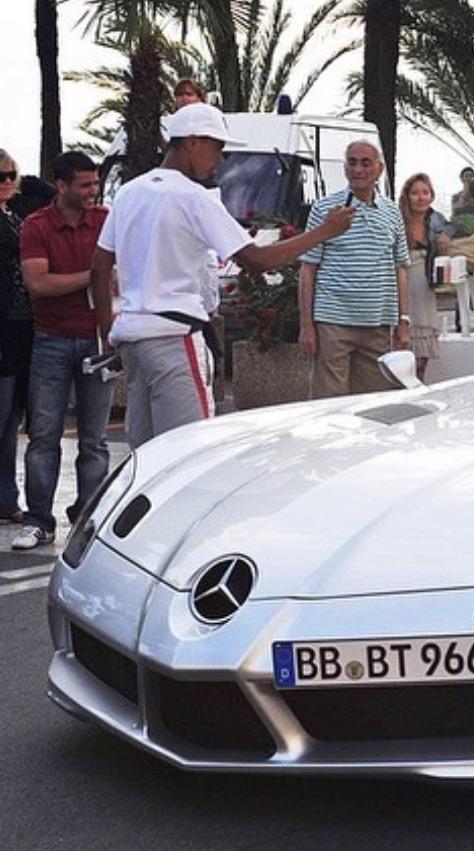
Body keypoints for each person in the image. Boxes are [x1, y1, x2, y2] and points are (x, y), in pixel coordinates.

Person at [91, 103, 355, 450]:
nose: (222, 159)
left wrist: (106, 332)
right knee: (190, 452)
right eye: (218, 147)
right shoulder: (194, 197)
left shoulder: (128, 193)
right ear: (193, 142)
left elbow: (99, 266)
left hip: (132, 338)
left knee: (145, 453)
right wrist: (322, 232)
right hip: (173, 337)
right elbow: (257, 260)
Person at [13, 152, 110, 549]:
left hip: (98, 339)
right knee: (44, 436)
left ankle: (88, 517)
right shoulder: (36, 226)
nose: (93, 191)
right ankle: (39, 520)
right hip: (51, 339)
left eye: (95, 183)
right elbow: (39, 284)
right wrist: (96, 275)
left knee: (95, 439)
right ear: (62, 186)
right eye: (84, 185)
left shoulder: (106, 220)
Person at [298, 138, 409, 399]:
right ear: (345, 168)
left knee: (373, 404)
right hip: (334, 324)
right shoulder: (325, 209)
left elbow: (400, 268)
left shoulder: (392, 213)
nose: (358, 170)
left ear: (379, 169)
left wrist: (404, 322)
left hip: (378, 325)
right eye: (352, 163)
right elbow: (308, 270)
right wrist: (306, 326)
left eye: (366, 163)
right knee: (329, 404)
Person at [0, 149, 32, 525]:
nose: (6, 182)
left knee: (11, 420)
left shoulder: (15, 219)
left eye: (11, 175)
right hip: (5, 330)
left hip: (22, 329)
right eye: (0, 176)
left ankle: (6, 497)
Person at [399, 172, 454, 381]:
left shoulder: (436, 218)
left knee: (423, 349)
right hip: (404, 281)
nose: (421, 197)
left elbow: (452, 228)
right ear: (407, 196)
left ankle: (419, 383)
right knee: (405, 347)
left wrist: (445, 237)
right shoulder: (399, 220)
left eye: (425, 192)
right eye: (415, 193)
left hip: (426, 284)